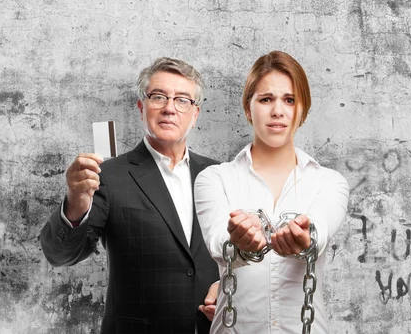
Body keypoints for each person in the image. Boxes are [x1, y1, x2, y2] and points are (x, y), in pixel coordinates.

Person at [41, 57, 220, 334]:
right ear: (142, 107)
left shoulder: (217, 174)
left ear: (195, 114)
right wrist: (76, 200)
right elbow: (61, 255)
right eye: (158, 97)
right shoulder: (108, 176)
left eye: (182, 100)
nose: (170, 108)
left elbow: (239, 254)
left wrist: (229, 287)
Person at [194, 51, 349, 333]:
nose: (278, 110)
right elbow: (218, 243)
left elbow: (320, 231)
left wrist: (304, 238)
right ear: (247, 108)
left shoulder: (329, 182)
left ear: (303, 111)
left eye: (289, 100)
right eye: (266, 99)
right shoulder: (215, 179)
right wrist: (239, 242)